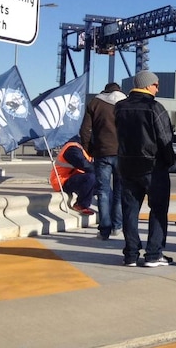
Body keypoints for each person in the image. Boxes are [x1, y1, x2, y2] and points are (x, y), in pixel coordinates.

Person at [115, 70, 176, 268]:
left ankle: (131, 254)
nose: (158, 89)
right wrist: (169, 162)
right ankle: (153, 253)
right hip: (152, 165)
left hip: (126, 165)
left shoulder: (119, 107)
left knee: (130, 210)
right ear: (148, 85)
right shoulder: (155, 108)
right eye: (156, 85)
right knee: (158, 209)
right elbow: (165, 138)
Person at [80, 82, 126, 239]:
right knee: (120, 191)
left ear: (105, 90)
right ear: (119, 91)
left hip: (101, 152)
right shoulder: (125, 103)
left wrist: (88, 149)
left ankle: (104, 229)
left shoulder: (95, 103)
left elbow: (85, 130)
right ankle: (117, 226)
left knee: (103, 191)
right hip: (122, 153)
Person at [50, 139, 96, 215]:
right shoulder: (72, 149)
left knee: (102, 183)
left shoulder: (85, 151)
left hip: (73, 178)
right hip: (61, 181)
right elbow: (83, 164)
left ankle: (110, 211)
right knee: (91, 177)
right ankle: (81, 205)